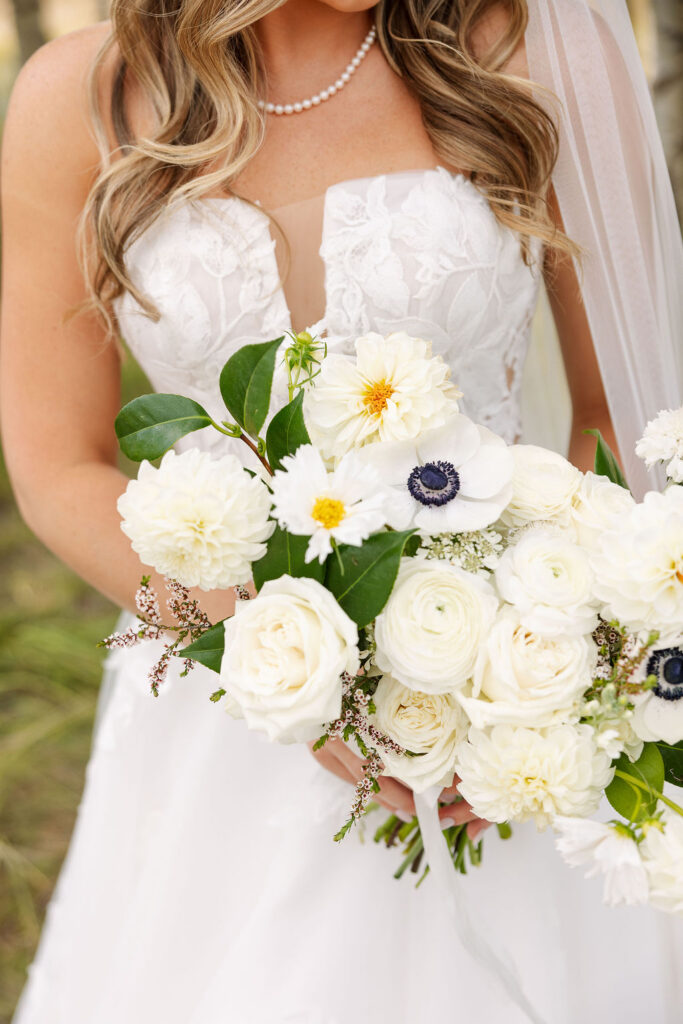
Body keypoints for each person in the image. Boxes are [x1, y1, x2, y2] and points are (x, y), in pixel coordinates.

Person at [1, 2, 681, 1022]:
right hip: (219, 710)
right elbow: (59, 463)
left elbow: (618, 411)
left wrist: (538, 660)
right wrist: (283, 654)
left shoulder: (524, 55)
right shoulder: (77, 97)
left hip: (496, 701)